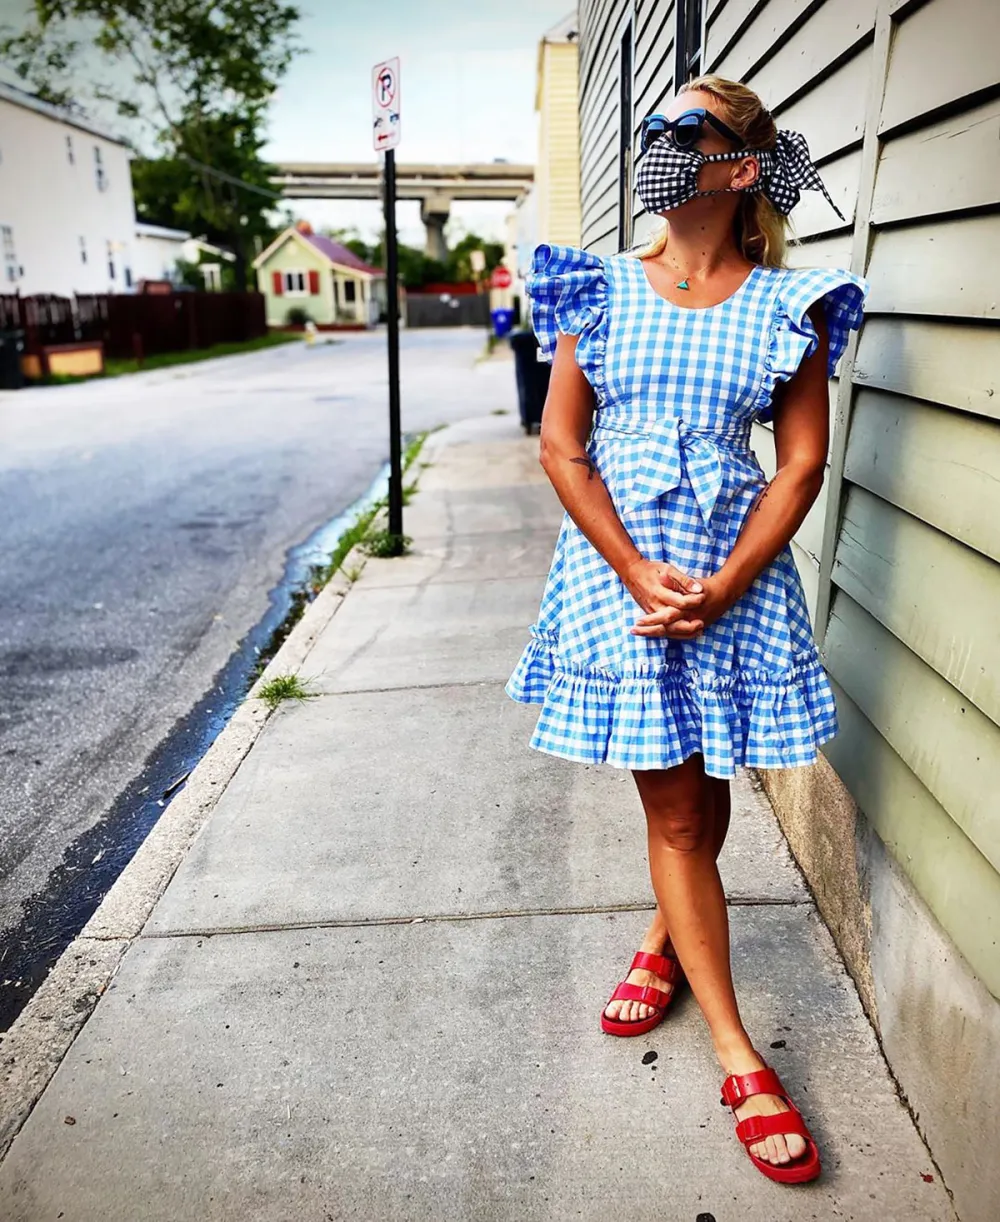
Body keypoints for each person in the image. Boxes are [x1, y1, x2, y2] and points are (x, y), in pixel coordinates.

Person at [505, 74, 867, 1185]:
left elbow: (801, 460)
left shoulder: (782, 308)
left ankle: (664, 936)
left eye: (684, 131)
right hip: (623, 583)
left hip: (732, 585)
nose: (657, 144)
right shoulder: (599, 289)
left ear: (739, 166)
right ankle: (737, 1053)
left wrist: (723, 583)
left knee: (699, 779)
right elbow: (563, 445)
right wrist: (631, 567)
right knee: (672, 802)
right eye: (652, 126)